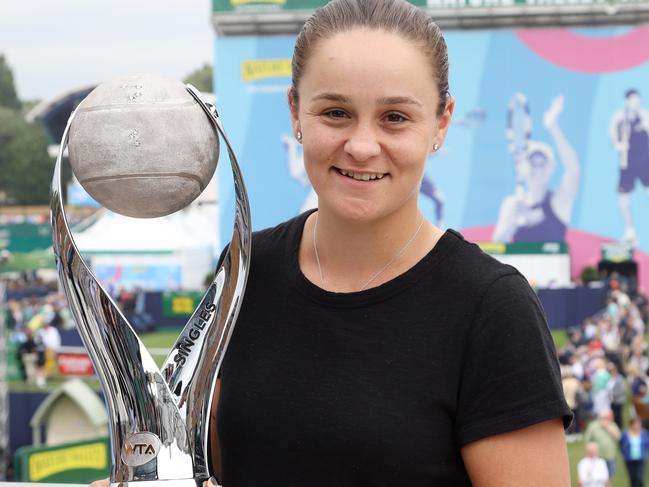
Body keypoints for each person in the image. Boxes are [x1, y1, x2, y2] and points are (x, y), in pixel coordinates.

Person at [94, 1, 571, 486]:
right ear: (296, 112)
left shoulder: (492, 309)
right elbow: (215, 466)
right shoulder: (246, 271)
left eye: (395, 117)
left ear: (441, 123)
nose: (362, 146)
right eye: (336, 112)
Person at [493, 94, 581, 243]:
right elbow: (496, 248)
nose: (537, 168)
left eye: (543, 163)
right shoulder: (512, 205)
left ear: (551, 169)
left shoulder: (558, 202)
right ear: (523, 168)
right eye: (533, 162)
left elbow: (574, 171)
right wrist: (512, 225)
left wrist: (553, 127)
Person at [608, 89, 649, 246]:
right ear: (626, 101)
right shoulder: (619, 117)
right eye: (633, 99)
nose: (636, 102)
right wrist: (617, 145)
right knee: (623, 199)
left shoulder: (645, 115)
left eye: (638, 99)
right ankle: (630, 232)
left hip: (645, 162)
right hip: (627, 164)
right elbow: (612, 135)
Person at [584, 409, 622, 478]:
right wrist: (588, 454)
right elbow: (587, 440)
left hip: (610, 456)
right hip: (597, 457)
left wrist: (608, 428)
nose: (610, 418)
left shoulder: (613, 425)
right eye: (608, 416)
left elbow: (619, 437)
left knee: (609, 477)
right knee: (598, 477)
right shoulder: (593, 425)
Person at [620, 417, 649, 487]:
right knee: (632, 477)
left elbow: (647, 443)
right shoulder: (626, 434)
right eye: (636, 424)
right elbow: (621, 444)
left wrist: (646, 452)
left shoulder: (644, 433)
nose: (637, 426)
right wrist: (623, 454)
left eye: (639, 424)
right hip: (629, 459)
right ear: (631, 424)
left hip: (640, 458)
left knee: (639, 477)